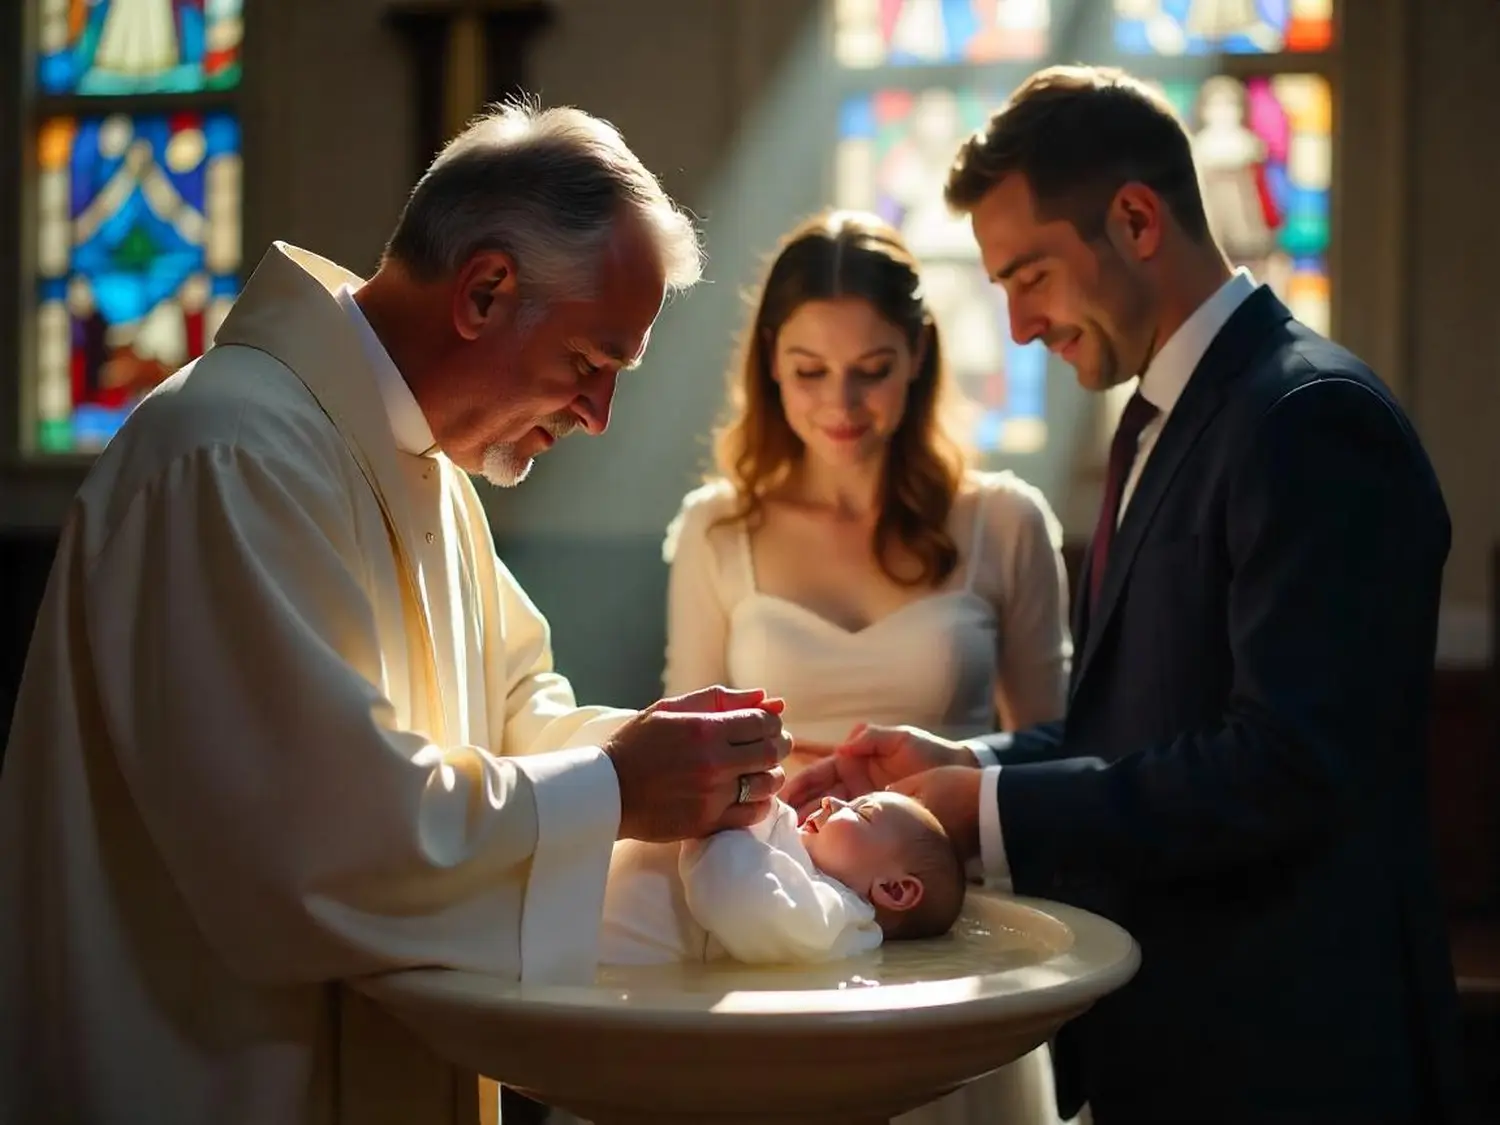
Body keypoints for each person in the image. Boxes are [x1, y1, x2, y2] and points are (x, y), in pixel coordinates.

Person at [0, 102, 793, 1125]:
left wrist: (698, 772)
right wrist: (617, 787)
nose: (598, 417)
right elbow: (314, 839)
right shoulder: (229, 454)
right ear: (487, 290)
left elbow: (513, 720)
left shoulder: (421, 468)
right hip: (215, 1072)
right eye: (592, 364)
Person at [786, 65, 1465, 1125]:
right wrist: (968, 762)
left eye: (1031, 276)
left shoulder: (1309, 419)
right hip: (1182, 1046)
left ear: (1137, 219)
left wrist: (994, 813)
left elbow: (1288, 768)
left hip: (1295, 1060)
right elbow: (1143, 722)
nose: (1017, 326)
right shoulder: (1160, 420)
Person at [662, 209, 1073, 1124]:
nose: (841, 405)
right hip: (769, 916)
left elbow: (1062, 745)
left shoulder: (1003, 521)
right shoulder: (713, 531)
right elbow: (678, 748)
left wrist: (951, 775)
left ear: (920, 354)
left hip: (953, 929)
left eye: (871, 371)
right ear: (770, 360)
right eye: (810, 371)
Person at [600, 792, 965, 966]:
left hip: (596, 947)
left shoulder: (835, 918)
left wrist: (715, 824)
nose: (831, 801)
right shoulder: (801, 861)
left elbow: (744, 904)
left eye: (860, 812)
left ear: (894, 889)